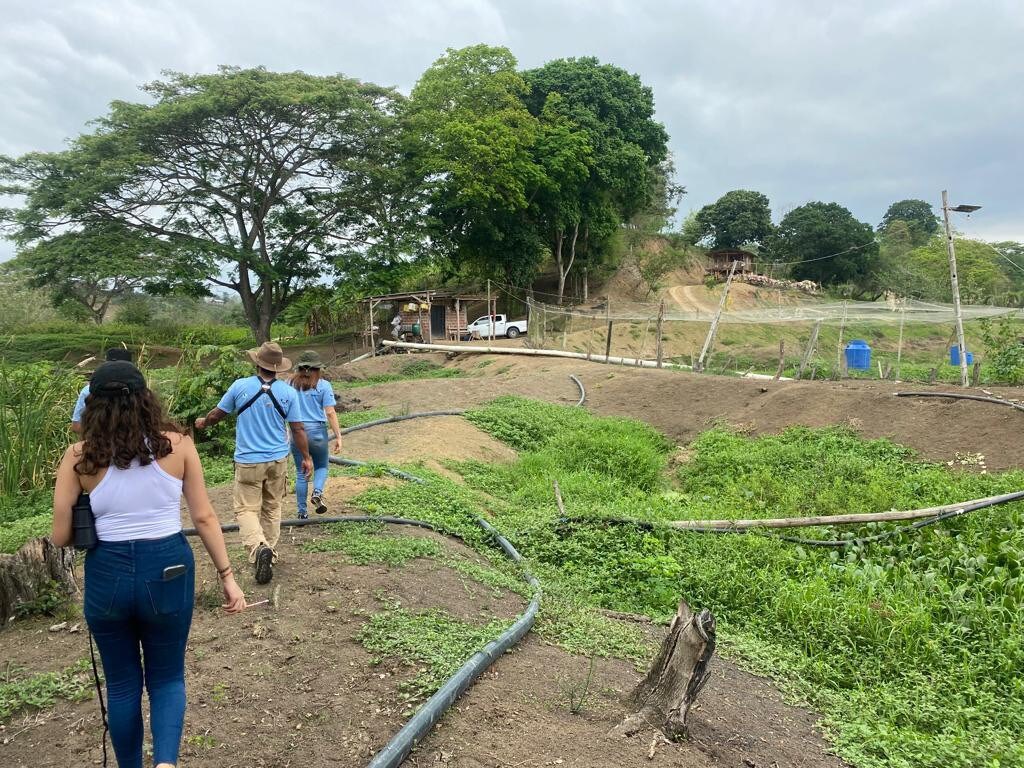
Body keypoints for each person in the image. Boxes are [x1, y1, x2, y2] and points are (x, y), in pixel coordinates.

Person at [52, 360, 246, 768]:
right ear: (146, 399)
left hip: (107, 573)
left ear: (93, 405)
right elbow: (205, 517)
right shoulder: (179, 445)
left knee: (122, 685)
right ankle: (167, 763)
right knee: (167, 677)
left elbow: (60, 536)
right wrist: (227, 577)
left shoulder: (78, 457)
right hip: (168, 568)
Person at [194, 342, 312, 584]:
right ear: (278, 368)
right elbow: (298, 428)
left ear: (257, 363)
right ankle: (268, 550)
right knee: (272, 506)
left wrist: (204, 422)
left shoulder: (240, 386)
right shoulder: (288, 392)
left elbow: (218, 414)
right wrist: (307, 458)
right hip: (277, 460)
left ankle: (259, 548)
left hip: (248, 460)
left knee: (246, 509)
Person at [288, 350, 343, 518]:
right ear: (317, 368)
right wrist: (339, 436)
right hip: (317, 432)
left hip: (296, 432)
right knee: (321, 465)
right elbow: (330, 412)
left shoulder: (289, 384)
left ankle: (302, 512)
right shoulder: (323, 385)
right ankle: (317, 492)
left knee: (300, 472)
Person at [71, 347, 134, 433]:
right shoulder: (140, 391)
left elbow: (76, 426)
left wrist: (100, 437)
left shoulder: (89, 390)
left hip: (96, 443)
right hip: (134, 442)